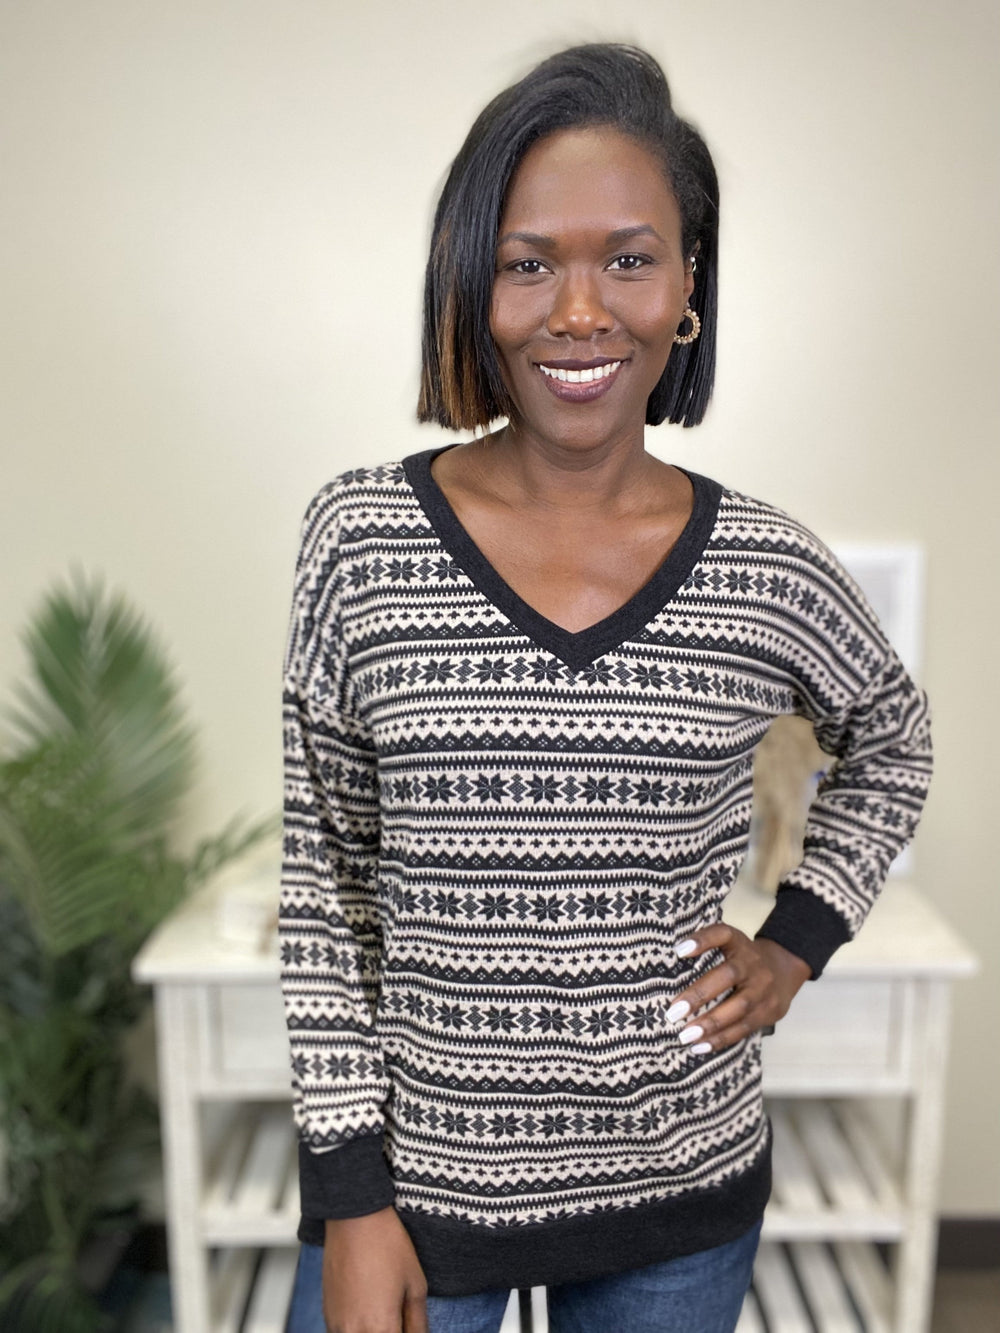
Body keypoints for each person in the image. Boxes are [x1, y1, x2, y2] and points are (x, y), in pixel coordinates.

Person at [279, 43, 932, 1333]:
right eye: (529, 264)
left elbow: (893, 739)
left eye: (630, 260)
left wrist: (794, 946)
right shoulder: (360, 538)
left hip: (679, 1203)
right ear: (473, 288)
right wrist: (350, 1200)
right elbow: (327, 883)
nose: (580, 312)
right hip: (419, 1201)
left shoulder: (765, 566)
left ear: (688, 285)